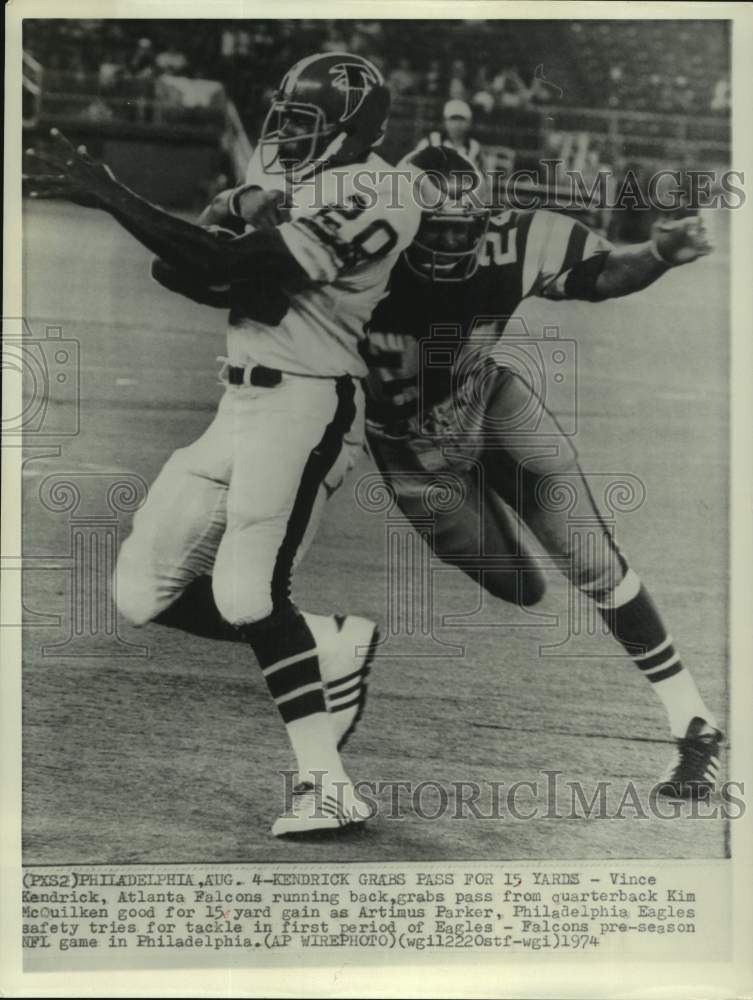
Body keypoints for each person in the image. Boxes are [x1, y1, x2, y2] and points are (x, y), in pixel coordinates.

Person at [24, 52, 422, 837]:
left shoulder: (383, 190)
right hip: (238, 401)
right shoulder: (289, 178)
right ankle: (327, 642)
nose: (284, 133)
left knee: (246, 594)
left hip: (309, 405)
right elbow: (192, 269)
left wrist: (111, 192)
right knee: (143, 592)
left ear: (351, 128)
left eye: (304, 121)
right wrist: (231, 233)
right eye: (284, 116)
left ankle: (327, 784)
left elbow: (216, 259)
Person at [363, 146, 722, 801]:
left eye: (460, 229)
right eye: (433, 230)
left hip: (486, 401)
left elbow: (602, 273)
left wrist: (658, 254)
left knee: (591, 559)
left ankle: (692, 722)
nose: (449, 245)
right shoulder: (355, 251)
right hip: (411, 452)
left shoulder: (514, 237)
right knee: (519, 586)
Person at [411, 99, 485, 172]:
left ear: (469, 123)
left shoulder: (474, 147)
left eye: (461, 120)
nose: (457, 124)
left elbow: (482, 177)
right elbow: (413, 168)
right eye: (453, 119)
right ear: (445, 121)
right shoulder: (431, 141)